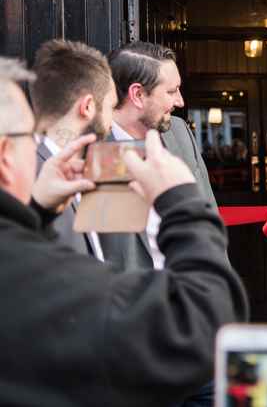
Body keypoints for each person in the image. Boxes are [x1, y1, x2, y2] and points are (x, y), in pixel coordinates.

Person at [0, 57, 248, 406]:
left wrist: (37, 210)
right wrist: (180, 201)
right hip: (137, 334)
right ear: (6, 155)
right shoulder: (89, 154)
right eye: (30, 136)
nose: (39, 144)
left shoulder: (177, 133)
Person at [106, 41, 217, 271]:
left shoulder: (180, 132)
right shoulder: (89, 150)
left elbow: (208, 217)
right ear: (137, 94)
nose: (180, 101)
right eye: (170, 91)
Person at [29, 39, 118, 259]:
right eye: (111, 107)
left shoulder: (69, 168)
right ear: (87, 107)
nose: (113, 120)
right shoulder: (26, 179)